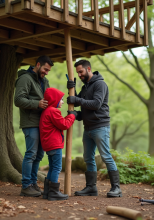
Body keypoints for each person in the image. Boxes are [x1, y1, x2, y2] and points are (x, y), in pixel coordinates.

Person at [66, 59, 122, 198]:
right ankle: (91, 188)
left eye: (81, 71)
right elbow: (77, 102)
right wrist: (70, 90)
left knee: (106, 157)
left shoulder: (100, 84)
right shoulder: (85, 87)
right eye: (77, 72)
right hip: (88, 128)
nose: (79, 74)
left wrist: (76, 100)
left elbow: (96, 104)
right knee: (88, 158)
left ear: (88, 69)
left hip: (100, 126)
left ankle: (116, 188)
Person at [14, 55, 54, 197]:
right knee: (31, 153)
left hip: (43, 123)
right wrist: (36, 104)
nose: (46, 72)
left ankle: (33, 182)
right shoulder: (25, 78)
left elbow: (47, 99)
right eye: (45, 69)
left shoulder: (45, 81)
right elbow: (18, 99)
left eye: (48, 70)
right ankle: (26, 186)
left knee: (39, 155)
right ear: (37, 65)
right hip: (30, 122)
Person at [39, 88, 77, 201]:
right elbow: (64, 125)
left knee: (52, 167)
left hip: (49, 145)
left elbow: (59, 123)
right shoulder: (53, 111)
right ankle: (54, 192)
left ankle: (48, 192)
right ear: (54, 99)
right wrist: (72, 116)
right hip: (55, 144)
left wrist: (68, 117)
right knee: (57, 167)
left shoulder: (46, 111)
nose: (63, 102)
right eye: (61, 99)